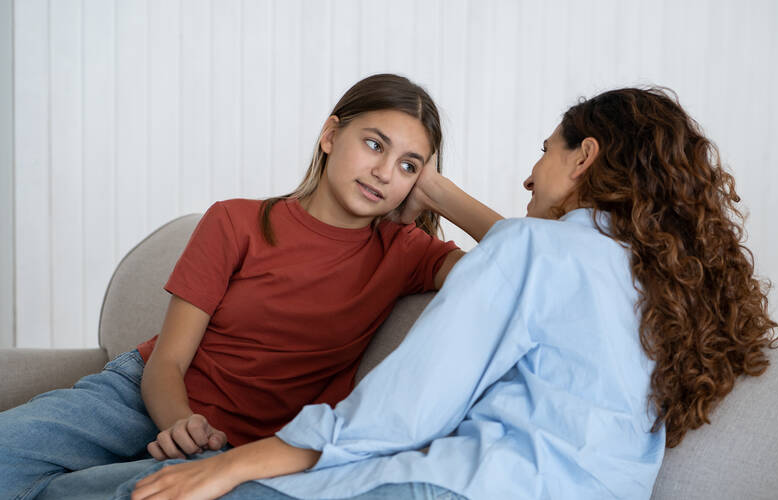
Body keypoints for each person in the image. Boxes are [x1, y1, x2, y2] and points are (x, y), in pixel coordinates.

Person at [118, 87, 778, 500]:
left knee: (124, 493)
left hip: (466, 487)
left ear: (583, 159)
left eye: (545, 152)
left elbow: (398, 415)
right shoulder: (655, 279)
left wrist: (234, 468)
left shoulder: (537, 250)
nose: (528, 175)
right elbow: (527, 261)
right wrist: (432, 189)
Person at [0, 73, 502, 500]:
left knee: (149, 492)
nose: (384, 172)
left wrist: (442, 194)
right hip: (143, 395)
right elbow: (167, 361)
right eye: (374, 144)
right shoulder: (235, 222)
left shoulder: (406, 251)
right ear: (330, 134)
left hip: (241, 449)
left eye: (408, 166)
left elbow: (522, 267)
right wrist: (180, 423)